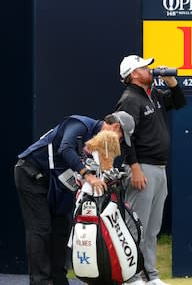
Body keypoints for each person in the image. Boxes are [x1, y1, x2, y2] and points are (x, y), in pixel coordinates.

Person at [14, 111, 135, 285]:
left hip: (56, 182)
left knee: (61, 230)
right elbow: (65, 148)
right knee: (40, 229)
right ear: (116, 127)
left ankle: (59, 280)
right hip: (31, 174)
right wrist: (89, 176)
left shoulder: (97, 145)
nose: (119, 142)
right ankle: (40, 282)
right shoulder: (80, 123)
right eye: (121, 138)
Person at [115, 55, 186, 285]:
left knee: (152, 229)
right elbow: (125, 137)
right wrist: (134, 168)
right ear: (134, 74)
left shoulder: (151, 95)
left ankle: (150, 275)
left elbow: (179, 101)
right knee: (136, 227)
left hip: (158, 168)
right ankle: (131, 276)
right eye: (144, 67)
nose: (150, 69)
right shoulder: (129, 100)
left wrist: (171, 82)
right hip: (142, 168)